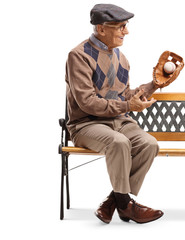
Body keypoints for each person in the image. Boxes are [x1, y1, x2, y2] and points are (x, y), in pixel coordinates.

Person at [65, 3, 164, 224]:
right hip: (86, 124)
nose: (126, 31)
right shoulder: (78, 56)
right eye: (120, 26)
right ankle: (126, 206)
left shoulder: (121, 58)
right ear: (101, 29)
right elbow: (88, 103)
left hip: (119, 121)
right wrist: (128, 107)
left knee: (149, 144)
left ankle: (116, 201)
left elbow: (125, 94)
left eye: (125, 26)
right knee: (118, 143)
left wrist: (155, 84)